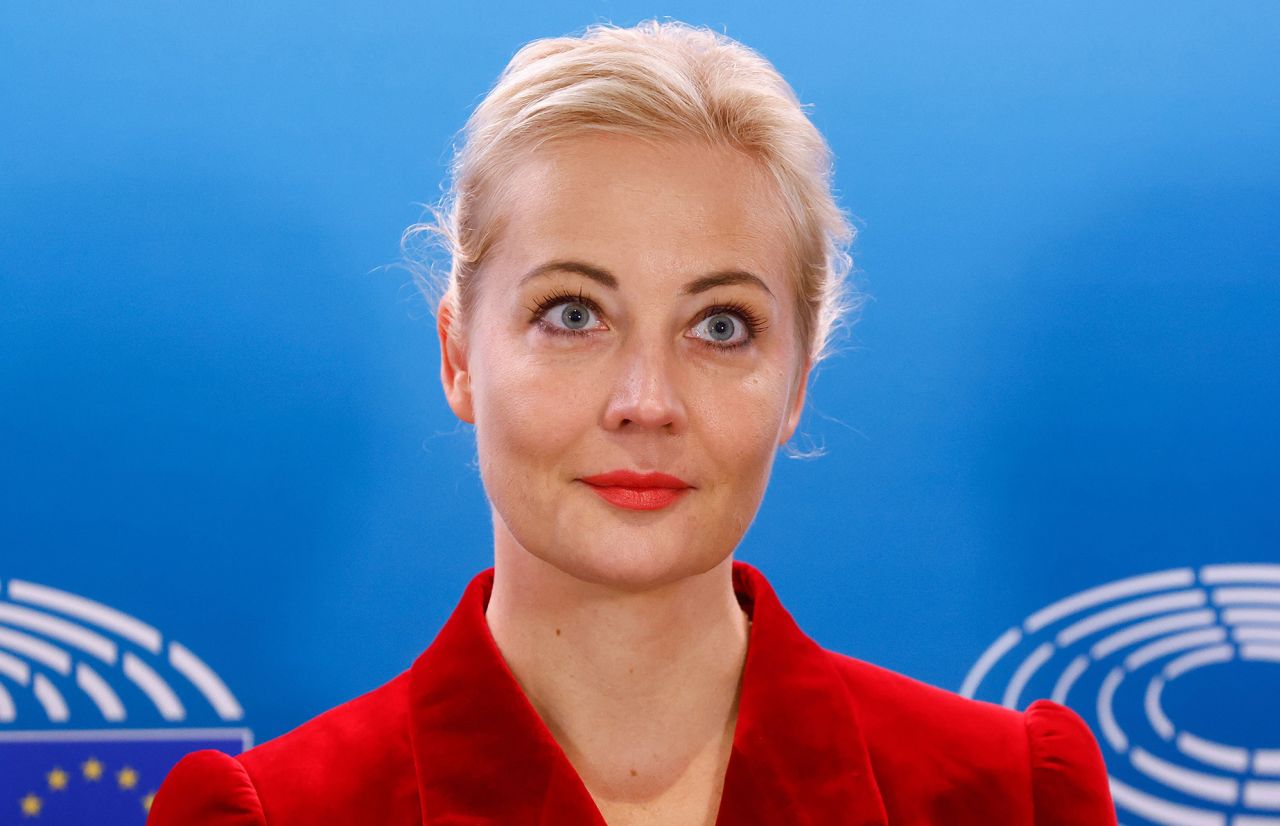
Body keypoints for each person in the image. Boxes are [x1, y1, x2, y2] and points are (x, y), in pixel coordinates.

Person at [148, 19, 1117, 825]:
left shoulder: (1009, 796)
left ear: (796, 381)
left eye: (719, 325)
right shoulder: (265, 816)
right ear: (456, 355)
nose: (645, 402)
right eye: (573, 315)